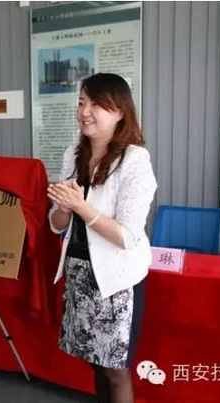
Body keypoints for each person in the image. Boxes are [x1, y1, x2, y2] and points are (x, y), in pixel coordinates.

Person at [47, 73, 157, 403]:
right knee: (94, 362)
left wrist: (81, 207)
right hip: (80, 273)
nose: (85, 112)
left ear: (120, 111)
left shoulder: (134, 160)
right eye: (82, 102)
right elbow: (56, 225)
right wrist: (63, 210)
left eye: (96, 104)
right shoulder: (73, 155)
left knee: (116, 369)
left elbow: (127, 236)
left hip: (116, 279)